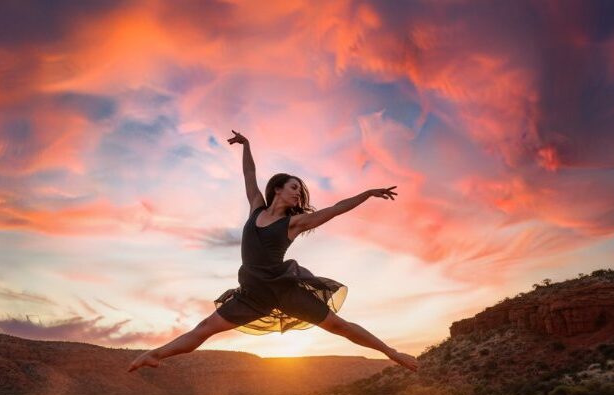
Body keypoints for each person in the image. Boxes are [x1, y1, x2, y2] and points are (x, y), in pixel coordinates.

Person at [127, 130, 419, 373]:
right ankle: (155, 354)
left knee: (338, 326)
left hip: (282, 289)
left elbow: (335, 209)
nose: (298, 194)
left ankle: (391, 353)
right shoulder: (256, 207)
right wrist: (247, 145)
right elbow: (249, 173)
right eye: (294, 188)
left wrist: (367, 194)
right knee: (205, 327)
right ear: (277, 188)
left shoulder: (293, 223)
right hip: (253, 293)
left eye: (300, 192)